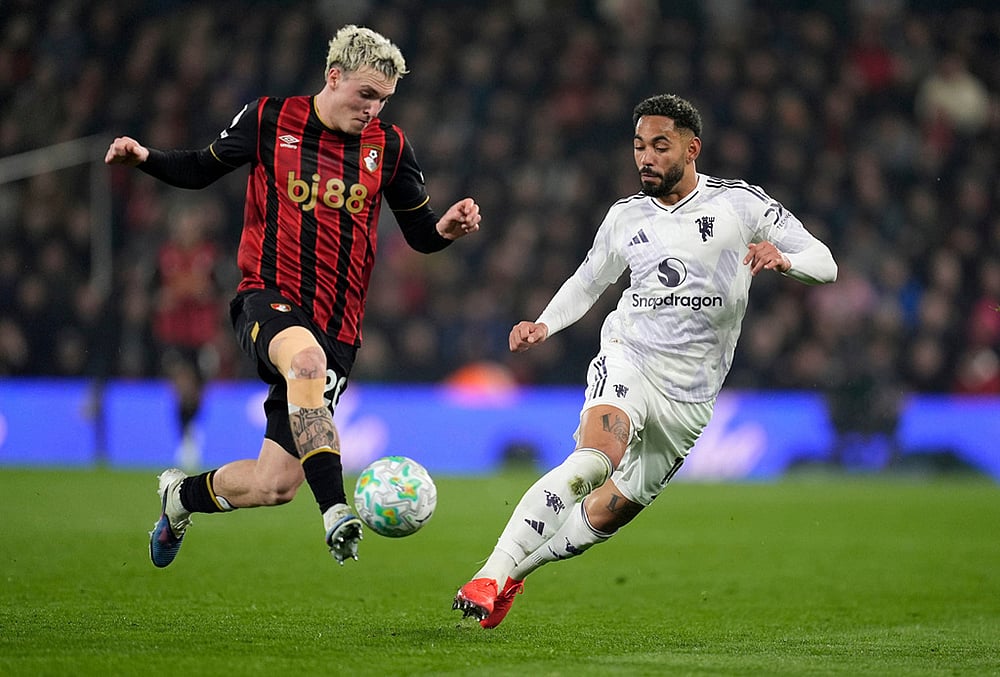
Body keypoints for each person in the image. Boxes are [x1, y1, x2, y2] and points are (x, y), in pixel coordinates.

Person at [453, 93, 836, 628]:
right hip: (630, 356)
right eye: (638, 146)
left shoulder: (740, 205)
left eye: (660, 146)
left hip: (692, 397)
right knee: (594, 460)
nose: (645, 158)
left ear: (692, 148)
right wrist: (545, 323)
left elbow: (827, 263)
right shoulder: (624, 217)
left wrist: (786, 259)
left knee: (608, 513)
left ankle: (514, 576)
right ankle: (489, 575)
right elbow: (589, 280)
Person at [105, 25, 481, 569]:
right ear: (335, 76)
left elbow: (421, 233)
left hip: (340, 327)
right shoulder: (269, 120)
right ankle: (334, 510)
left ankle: (178, 497)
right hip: (268, 297)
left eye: (383, 100)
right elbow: (200, 168)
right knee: (303, 359)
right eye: (366, 94)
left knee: (274, 484)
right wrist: (146, 158)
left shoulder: (390, 148)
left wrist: (445, 227)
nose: (373, 109)